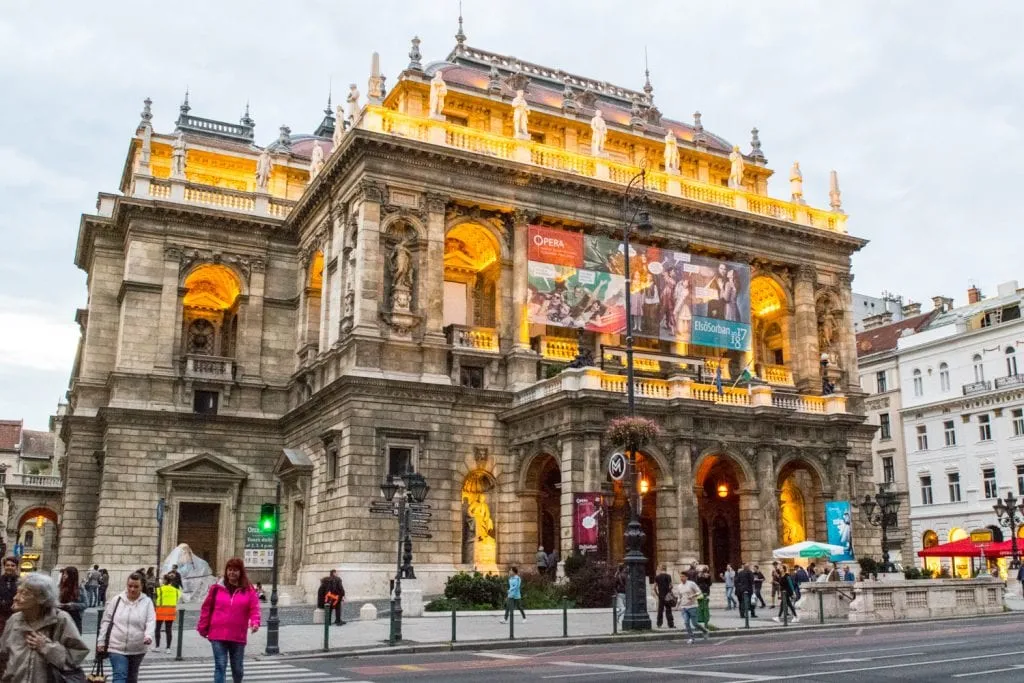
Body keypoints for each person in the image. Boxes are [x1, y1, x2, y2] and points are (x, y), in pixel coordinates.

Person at [0, 573, 88, 683]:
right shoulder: (14, 620)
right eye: (18, 592)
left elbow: (77, 655)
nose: (16, 598)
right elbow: (3, 656)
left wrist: (46, 647)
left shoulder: (59, 619)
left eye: (24, 594)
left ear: (41, 598)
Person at [197, 558, 261, 683]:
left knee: (237, 669)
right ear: (226, 571)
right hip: (217, 634)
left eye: (235, 570)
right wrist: (203, 627)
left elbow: (254, 609)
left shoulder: (248, 590)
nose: (232, 573)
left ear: (240, 572)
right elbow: (206, 608)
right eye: (229, 570)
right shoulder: (216, 588)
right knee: (220, 666)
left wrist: (255, 622)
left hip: (237, 635)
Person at [98, 571, 156, 683]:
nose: (132, 589)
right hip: (116, 647)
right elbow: (106, 621)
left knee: (131, 678)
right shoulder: (117, 600)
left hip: (138, 648)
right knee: (120, 676)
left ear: (141, 586)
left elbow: (150, 620)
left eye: (136, 586)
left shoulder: (147, 602)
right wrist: (101, 641)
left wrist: (148, 635)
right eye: (130, 586)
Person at [675, 571, 709, 644]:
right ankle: (691, 637)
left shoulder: (691, 584)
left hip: (692, 606)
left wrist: (693, 596)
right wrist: (677, 605)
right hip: (684, 607)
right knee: (686, 622)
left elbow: (699, 592)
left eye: (683, 576)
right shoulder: (679, 586)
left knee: (695, 624)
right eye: (680, 576)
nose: (681, 578)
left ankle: (705, 631)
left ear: (687, 577)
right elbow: (679, 596)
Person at [154, 573, 181, 651]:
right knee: (168, 630)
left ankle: (157, 647)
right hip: (171, 612)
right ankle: (168, 648)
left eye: (163, 579)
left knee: (158, 629)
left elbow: (156, 597)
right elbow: (179, 597)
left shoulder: (160, 589)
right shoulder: (176, 591)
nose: (162, 581)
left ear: (165, 580)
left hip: (160, 611)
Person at [57, 566, 85, 633]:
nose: (63, 576)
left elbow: (85, 604)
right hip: (60, 617)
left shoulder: (79, 589)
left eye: (66, 574)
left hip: (74, 618)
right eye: (63, 574)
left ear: (71, 576)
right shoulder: (59, 587)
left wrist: (72, 605)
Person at [0, 557, 19, 636]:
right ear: (4, 567)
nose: (10, 567)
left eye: (12, 565)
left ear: (16, 567)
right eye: (7, 565)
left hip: (15, 616)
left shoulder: (21, 581)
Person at [654, 564, 675, 629]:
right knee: (668, 609)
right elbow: (671, 586)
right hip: (667, 595)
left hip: (661, 595)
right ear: (665, 569)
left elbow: (654, 587)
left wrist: (657, 594)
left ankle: (659, 624)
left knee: (660, 610)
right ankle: (670, 624)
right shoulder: (668, 576)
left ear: (660, 569)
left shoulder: (657, 577)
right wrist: (669, 591)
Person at [614, 564, 627, 629]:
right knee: (625, 608)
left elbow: (614, 586)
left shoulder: (617, 576)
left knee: (622, 608)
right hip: (625, 593)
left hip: (619, 593)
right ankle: (617, 616)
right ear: (623, 569)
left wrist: (616, 593)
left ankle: (618, 618)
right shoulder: (625, 576)